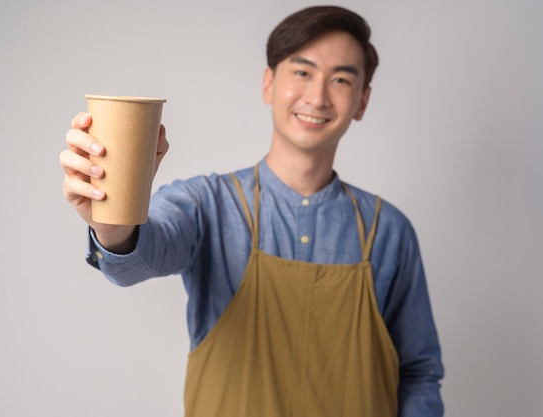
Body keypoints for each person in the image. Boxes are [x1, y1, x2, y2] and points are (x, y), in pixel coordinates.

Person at [60, 5, 444, 417]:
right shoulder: (207, 205)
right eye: (302, 72)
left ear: (362, 100)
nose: (317, 96)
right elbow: (136, 260)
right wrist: (113, 219)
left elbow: (418, 372)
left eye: (341, 79)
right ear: (268, 84)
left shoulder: (389, 232)